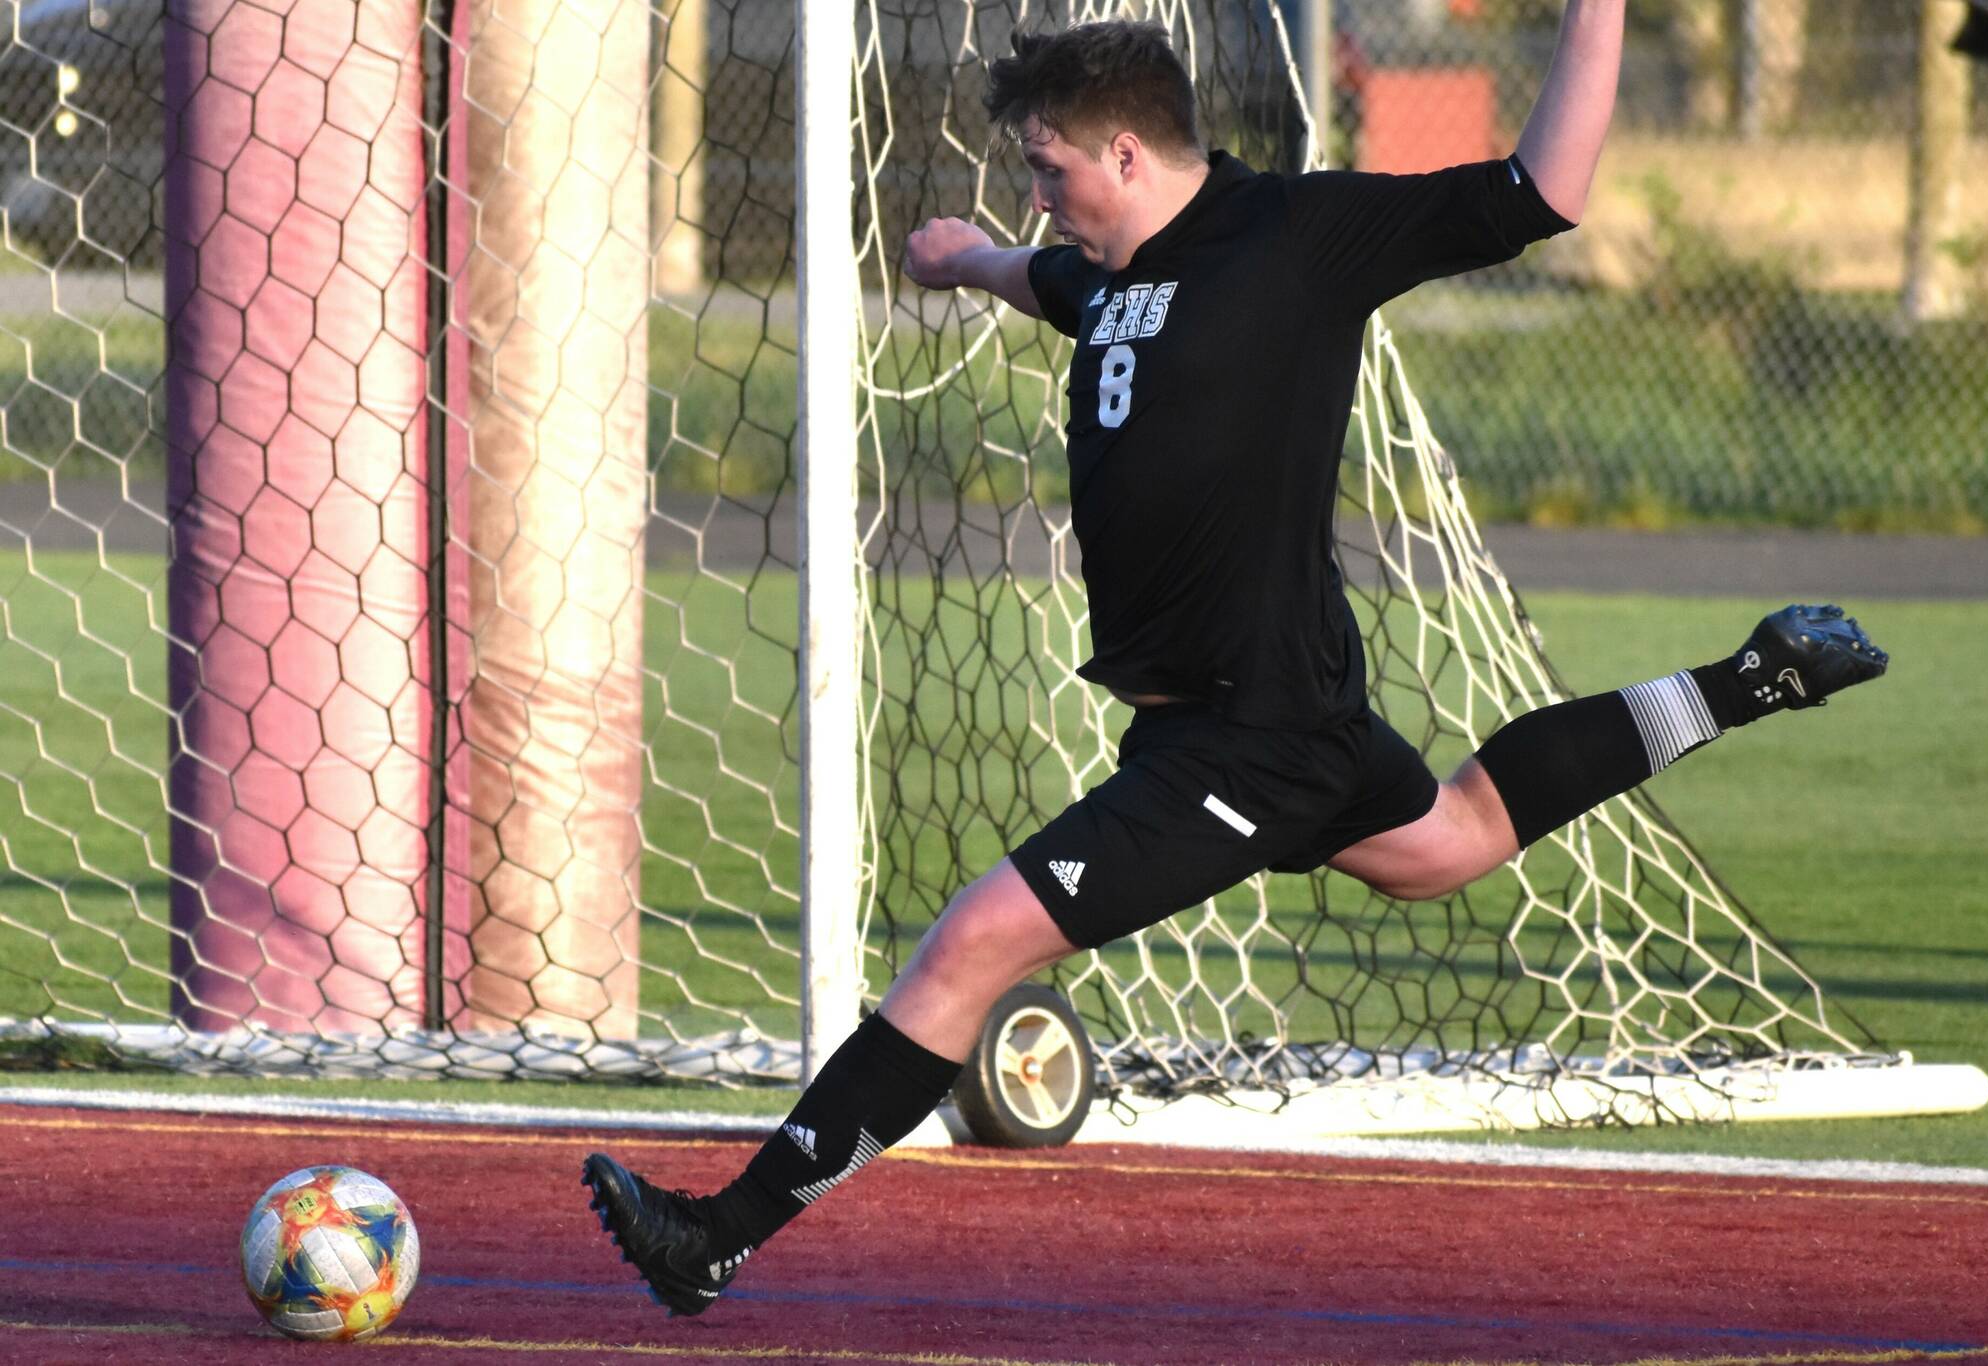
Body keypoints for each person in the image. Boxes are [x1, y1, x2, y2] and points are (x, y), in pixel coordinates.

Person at [581, 5, 1887, 1316]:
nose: (1045, 193)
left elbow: (1541, 190)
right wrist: (972, 258)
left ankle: (719, 1234)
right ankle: (1756, 675)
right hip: (1219, 724)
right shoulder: (1120, 276)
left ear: (1131, 152)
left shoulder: (1294, 239)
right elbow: (1060, 287)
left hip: (1253, 732)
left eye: (1053, 170)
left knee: (973, 941)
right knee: (1449, 840)